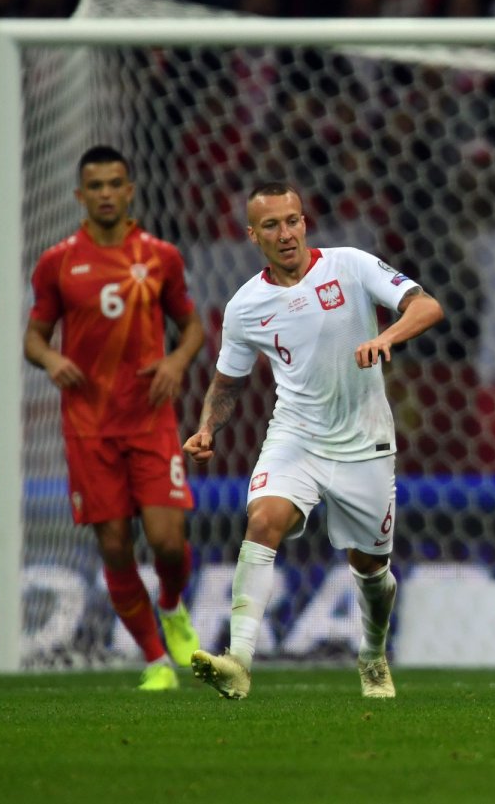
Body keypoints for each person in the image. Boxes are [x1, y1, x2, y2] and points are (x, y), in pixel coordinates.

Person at [183, 182, 444, 700]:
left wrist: (385, 337)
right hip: (296, 436)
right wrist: (208, 426)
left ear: (305, 221)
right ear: (251, 234)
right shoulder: (244, 308)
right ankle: (238, 662)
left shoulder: (349, 264)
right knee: (263, 519)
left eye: (294, 220)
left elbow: (427, 306)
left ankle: (372, 655)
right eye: (273, 225)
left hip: (365, 439)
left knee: (370, 569)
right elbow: (228, 383)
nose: (287, 234)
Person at [24, 145, 205, 690]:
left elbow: (192, 326)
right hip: (88, 426)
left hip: (150, 418)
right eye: (95, 185)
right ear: (80, 195)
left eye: (114, 183)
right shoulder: (57, 263)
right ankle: (154, 660)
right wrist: (52, 359)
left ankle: (171, 606)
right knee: (113, 544)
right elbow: (33, 337)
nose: (105, 193)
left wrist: (175, 361)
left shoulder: (160, 257)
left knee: (168, 541)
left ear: (130, 190)